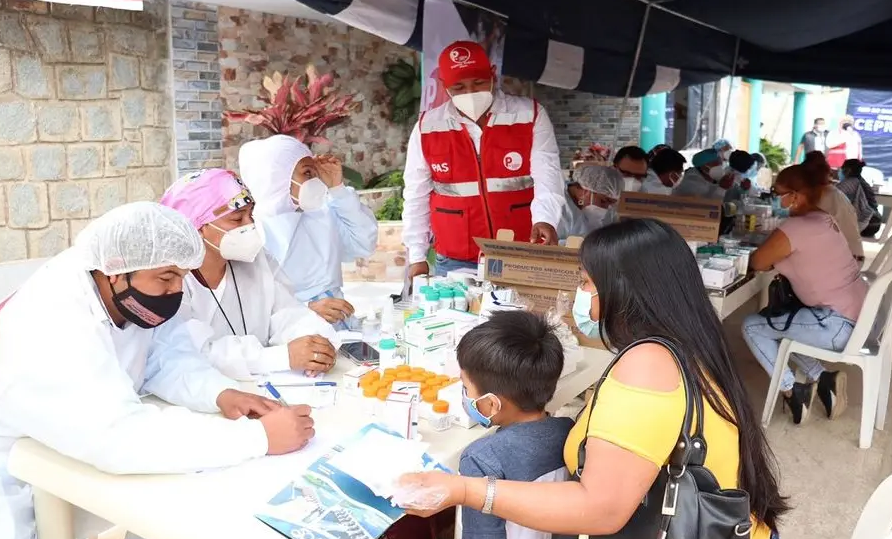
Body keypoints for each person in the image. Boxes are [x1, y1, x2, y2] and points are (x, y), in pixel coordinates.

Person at [396, 219, 788, 539]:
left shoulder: (648, 366)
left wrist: (466, 491)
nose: (582, 296)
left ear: (621, 289)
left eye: (585, 282)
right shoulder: (692, 342)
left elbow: (601, 508)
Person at [0, 202, 316, 539]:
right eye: (166, 278)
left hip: (69, 438)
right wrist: (259, 438)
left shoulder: (128, 290)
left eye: (181, 277)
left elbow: (165, 355)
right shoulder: (53, 317)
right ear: (115, 271)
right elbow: (117, 435)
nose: (176, 291)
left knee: (181, 494)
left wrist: (221, 393)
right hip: (0, 465)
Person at [158, 168, 340, 380]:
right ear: (196, 227)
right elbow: (191, 352)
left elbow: (287, 313)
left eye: (250, 215)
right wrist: (280, 357)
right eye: (237, 219)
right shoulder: (170, 280)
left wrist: (317, 345)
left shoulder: (257, 260)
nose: (250, 225)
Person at [402, 40, 564, 278]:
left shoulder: (529, 115)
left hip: (519, 251)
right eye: (459, 87)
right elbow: (416, 194)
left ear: (493, 75)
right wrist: (417, 256)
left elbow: (547, 175)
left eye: (478, 83)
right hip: (456, 259)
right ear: (444, 86)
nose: (470, 93)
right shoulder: (427, 127)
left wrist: (546, 219)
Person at [743, 165, 868, 425]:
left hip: (835, 325)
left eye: (778, 193)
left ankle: (792, 391)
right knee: (778, 325)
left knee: (754, 327)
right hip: (855, 318)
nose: (775, 199)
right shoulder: (823, 218)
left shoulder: (795, 228)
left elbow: (758, 262)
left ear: (796, 195)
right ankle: (823, 379)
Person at [456, 311, 574, 539]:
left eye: (466, 387)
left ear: (492, 403)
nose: (465, 395)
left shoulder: (480, 459)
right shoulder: (568, 431)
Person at [238, 134, 378, 329]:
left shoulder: (321, 210)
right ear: (278, 178)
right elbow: (252, 308)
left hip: (339, 325)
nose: (316, 180)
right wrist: (306, 310)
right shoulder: (254, 232)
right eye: (308, 173)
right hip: (291, 335)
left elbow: (363, 244)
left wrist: (337, 189)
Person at [802, 154, 866, 261]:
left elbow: (805, 231)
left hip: (846, 260)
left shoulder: (823, 197)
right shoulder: (833, 193)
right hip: (854, 255)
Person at [557, 164, 623, 241]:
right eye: (603, 201)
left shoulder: (609, 213)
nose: (606, 208)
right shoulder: (556, 207)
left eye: (612, 204)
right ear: (585, 191)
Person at [836, 159, 882, 238]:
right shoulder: (861, 181)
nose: (839, 171)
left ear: (848, 170)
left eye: (841, 168)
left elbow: (831, 195)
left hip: (867, 225)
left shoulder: (850, 182)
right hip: (874, 223)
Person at [672, 148, 736, 200]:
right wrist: (722, 188)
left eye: (720, 162)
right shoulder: (691, 182)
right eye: (715, 162)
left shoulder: (715, 180)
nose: (719, 165)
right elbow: (708, 206)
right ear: (703, 165)